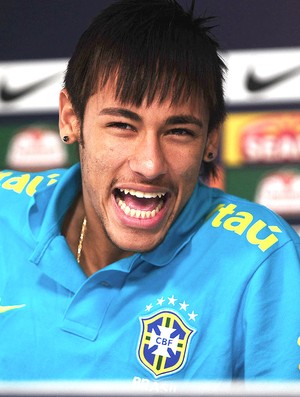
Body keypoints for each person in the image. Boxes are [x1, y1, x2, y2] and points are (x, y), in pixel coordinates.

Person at [0, 0, 300, 383]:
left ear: (210, 141)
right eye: (123, 125)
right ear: (71, 119)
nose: (150, 164)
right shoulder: (4, 211)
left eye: (179, 132)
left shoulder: (262, 259)